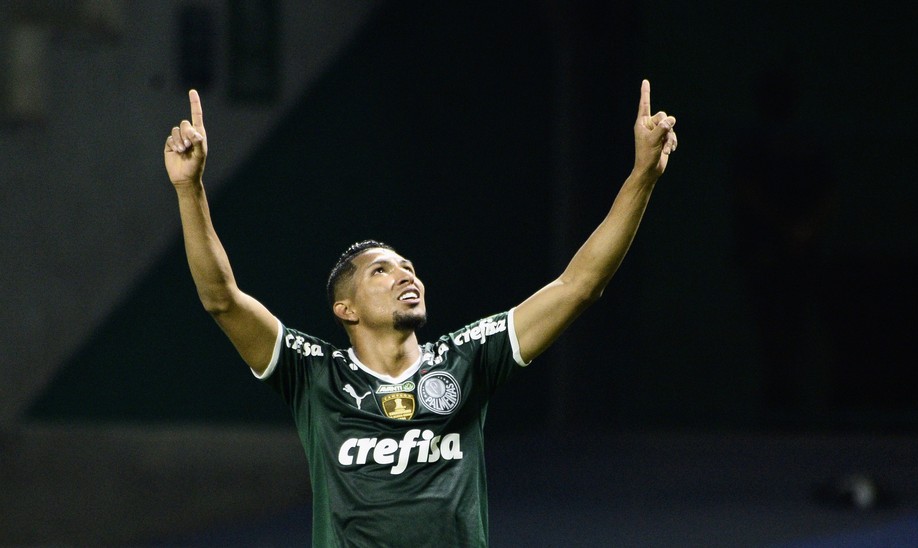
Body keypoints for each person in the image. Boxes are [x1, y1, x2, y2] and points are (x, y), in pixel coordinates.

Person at [163, 81, 677, 547]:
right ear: (346, 309)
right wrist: (190, 189)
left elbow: (578, 287)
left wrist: (642, 177)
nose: (406, 275)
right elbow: (222, 299)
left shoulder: (468, 358)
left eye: (408, 267)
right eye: (381, 272)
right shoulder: (314, 374)